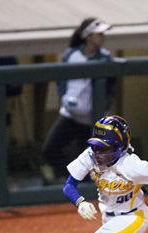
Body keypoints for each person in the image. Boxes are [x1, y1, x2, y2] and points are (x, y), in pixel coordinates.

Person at [40, 17, 115, 184]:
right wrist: (64, 98)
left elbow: (111, 88)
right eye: (99, 34)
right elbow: (61, 81)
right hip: (69, 116)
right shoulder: (70, 55)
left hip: (91, 122)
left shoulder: (105, 57)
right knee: (50, 150)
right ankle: (70, 178)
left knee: (92, 165)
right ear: (88, 36)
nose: (103, 37)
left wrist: (103, 106)